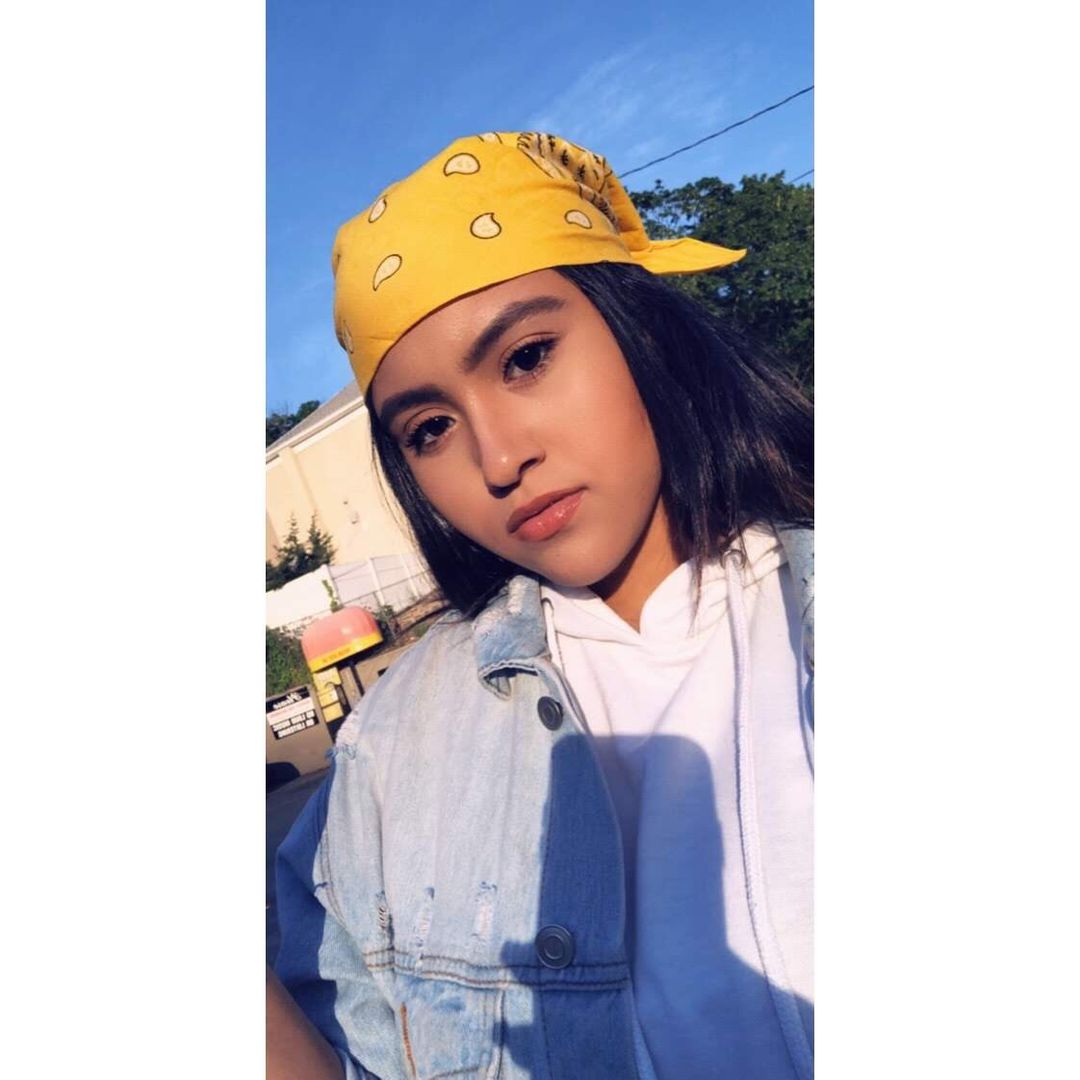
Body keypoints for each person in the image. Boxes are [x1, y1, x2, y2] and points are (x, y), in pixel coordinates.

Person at [269, 130, 814, 1080]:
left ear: (640, 330)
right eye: (430, 428)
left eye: (525, 358)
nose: (497, 458)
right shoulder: (390, 756)